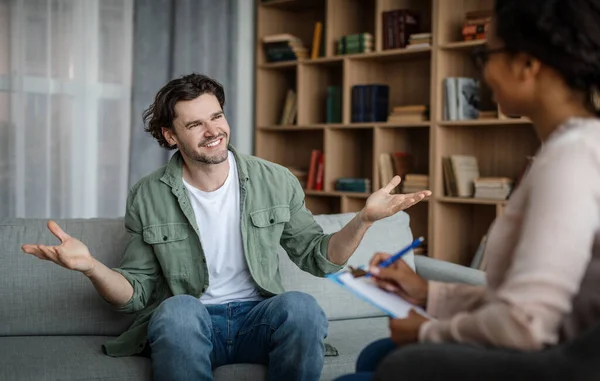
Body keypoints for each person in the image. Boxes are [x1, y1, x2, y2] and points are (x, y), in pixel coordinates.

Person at [21, 73, 431, 381]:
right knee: (177, 310)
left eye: (216, 116)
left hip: (259, 319)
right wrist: (91, 266)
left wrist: (363, 220)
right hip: (194, 321)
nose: (213, 130)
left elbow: (319, 260)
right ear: (170, 135)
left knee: (302, 306)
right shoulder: (148, 194)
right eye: (195, 124)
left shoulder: (275, 179)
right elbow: (135, 293)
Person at [335, 0, 600, 380]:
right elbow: (525, 299)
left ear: (527, 64)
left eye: (484, 54)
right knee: (378, 354)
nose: (483, 72)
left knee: (376, 367)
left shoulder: (570, 161)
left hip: (550, 363)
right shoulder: (574, 148)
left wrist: (427, 330)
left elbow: (525, 322)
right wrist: (430, 293)